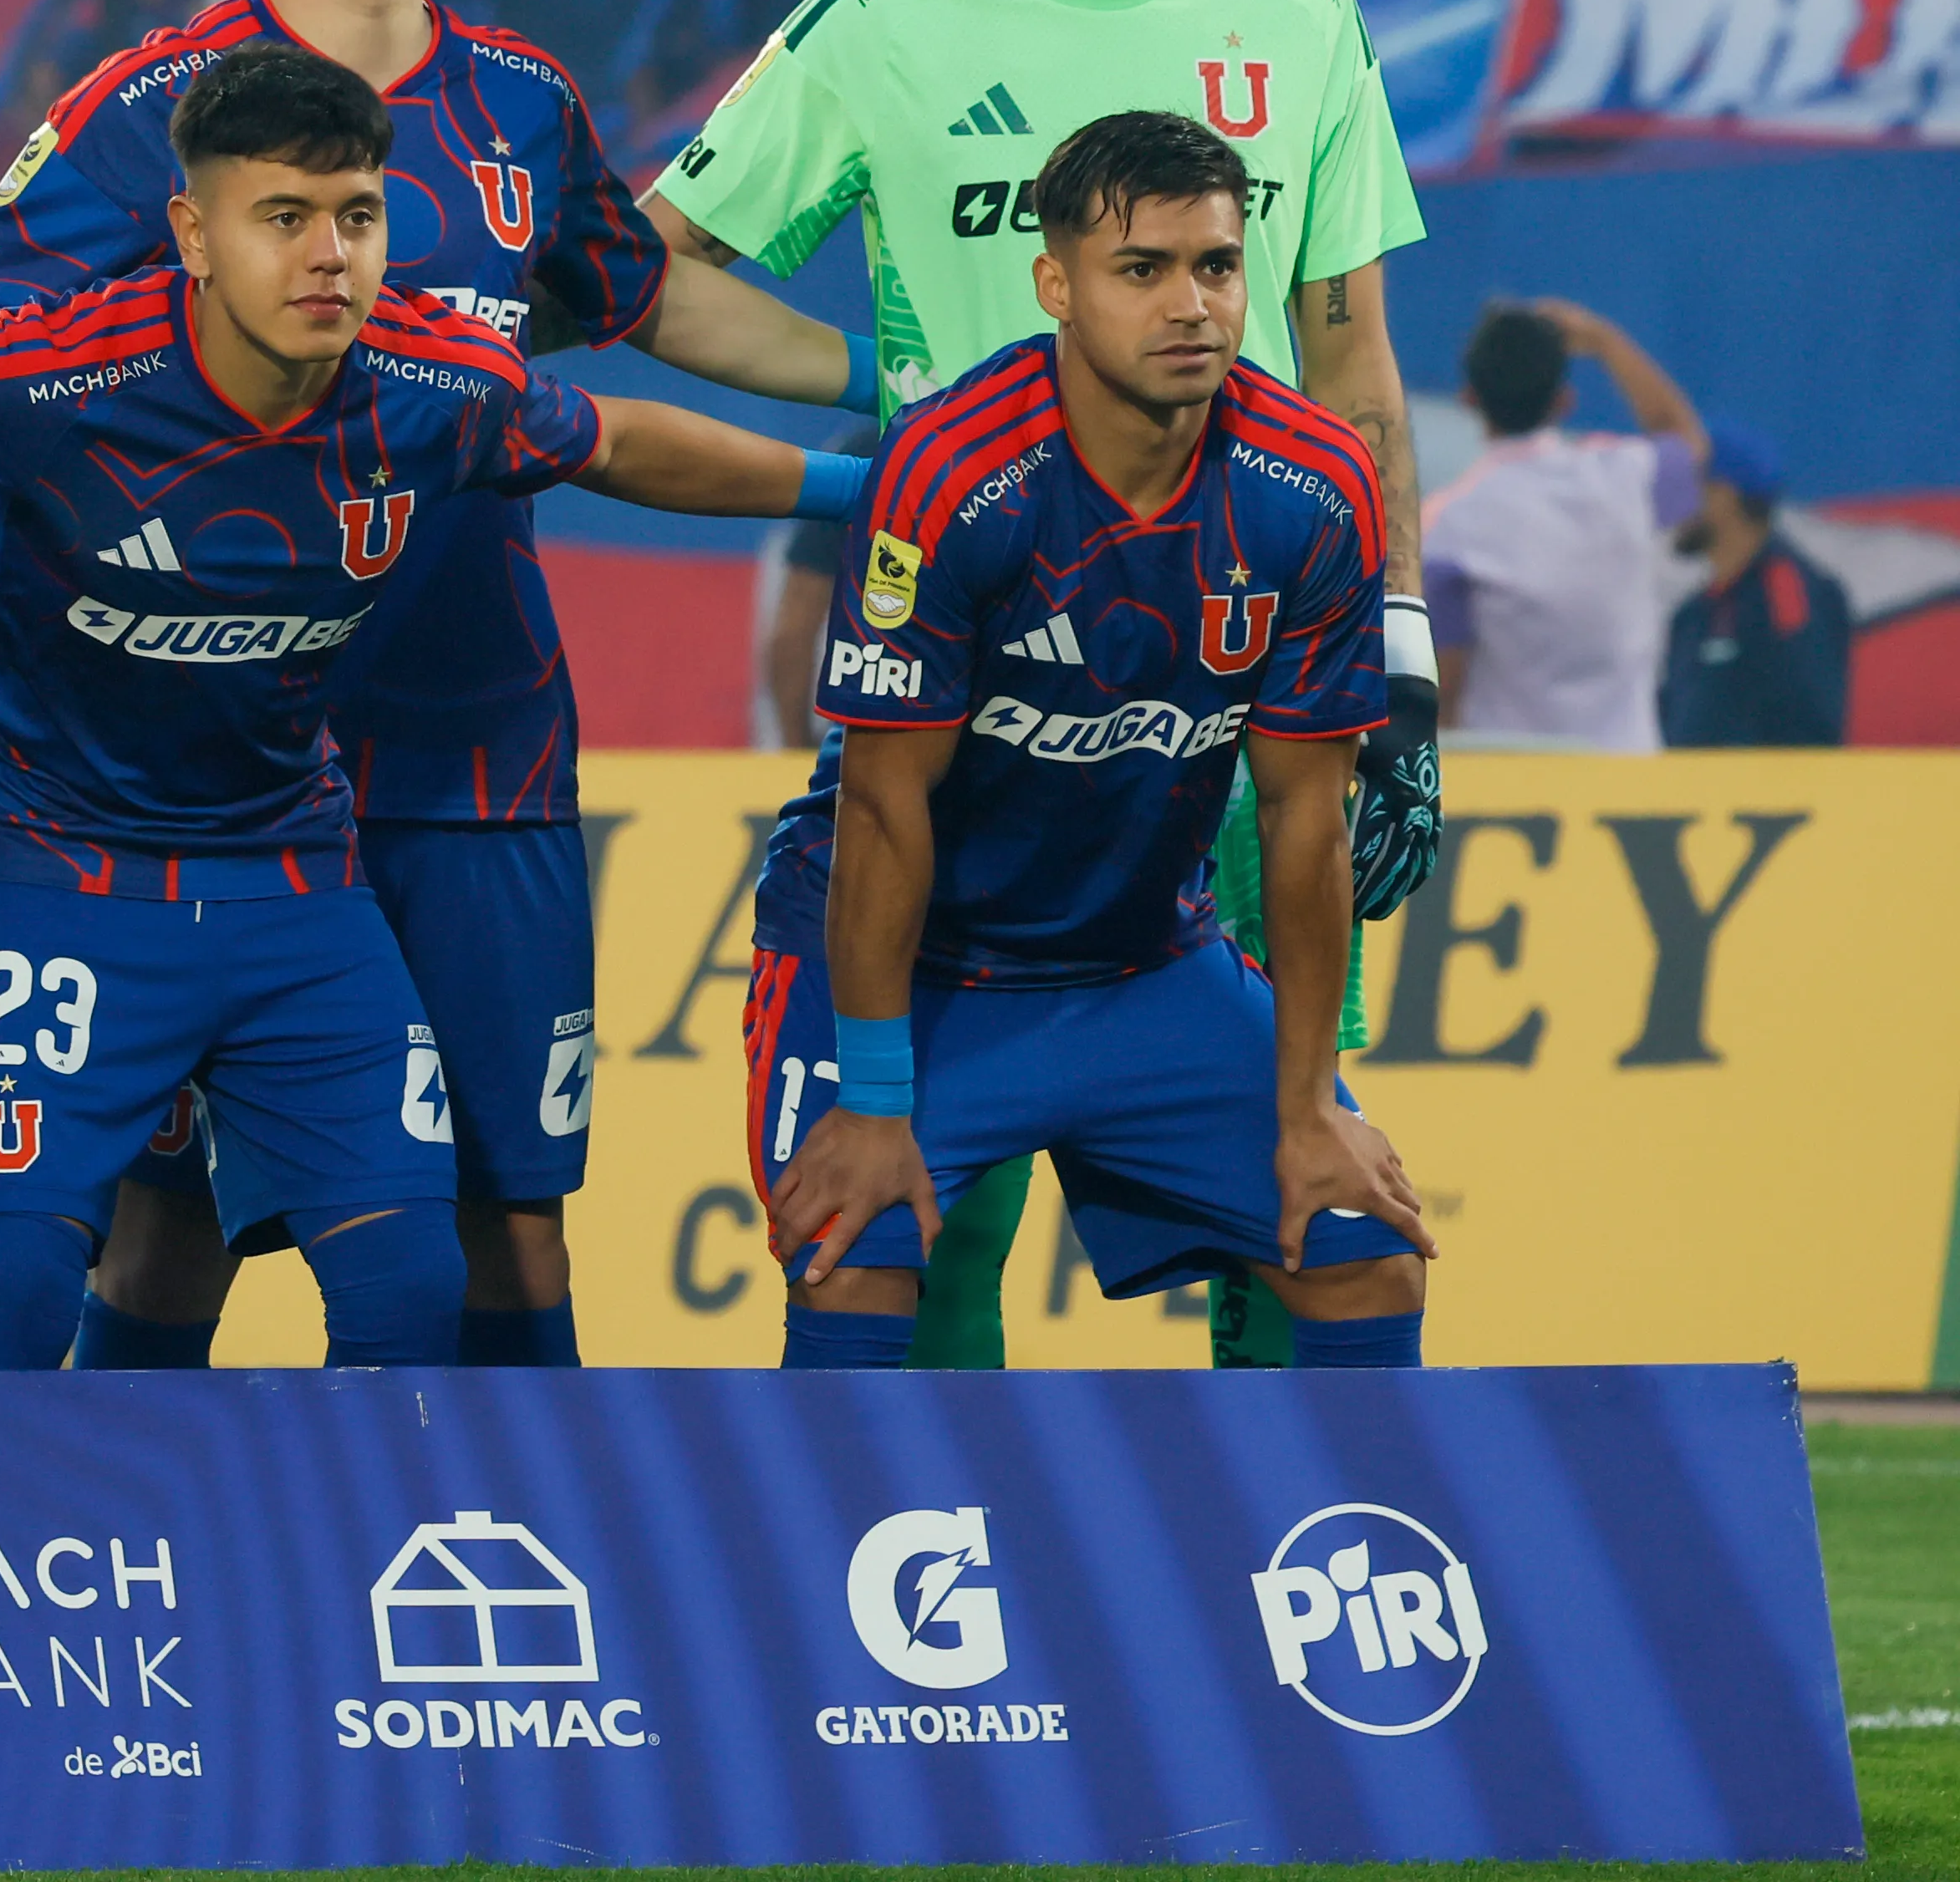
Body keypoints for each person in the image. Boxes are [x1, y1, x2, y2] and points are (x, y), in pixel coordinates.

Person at [0, 0, 857, 1371]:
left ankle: (482, 1586)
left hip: (473, 740)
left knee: (505, 1211)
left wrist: (891, 391)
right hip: (215, 777)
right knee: (169, 1217)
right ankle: (158, 1562)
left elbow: (644, 312)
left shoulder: (521, 102)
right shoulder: (158, 104)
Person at [644, 0, 1438, 1371]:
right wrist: (888, 381)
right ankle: (948, 1622)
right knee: (942, 1203)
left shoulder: (1299, 15)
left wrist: (1403, 660)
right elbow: (657, 263)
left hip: (1240, 675)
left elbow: (1353, 351)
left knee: (1297, 1179)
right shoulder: (885, 20)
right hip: (977, 661)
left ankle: (1275, 1597)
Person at [757, 110, 1428, 1369]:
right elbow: (883, 809)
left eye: (1217, 267)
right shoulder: (947, 470)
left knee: (1362, 1247)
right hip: (927, 974)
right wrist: (875, 1099)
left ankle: (1327, 1565)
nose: (1192, 306)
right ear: (1055, 285)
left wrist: (1306, 1107)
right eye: (1143, 270)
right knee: (857, 1261)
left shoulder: (1316, 485)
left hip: (1142, 965)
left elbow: (1301, 819)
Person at [1427, 297, 1703, 751]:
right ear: (1564, 401)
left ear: (1469, 400)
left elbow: (1445, 690)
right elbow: (1685, 440)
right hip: (1630, 784)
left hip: (1514, 792)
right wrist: (1604, 342)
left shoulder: (1449, 526)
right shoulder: (1626, 478)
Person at [1664, 426, 1852, 749]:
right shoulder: (1693, 614)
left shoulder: (1788, 591)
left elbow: (1810, 728)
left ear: (1724, 493)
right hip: (1690, 799)